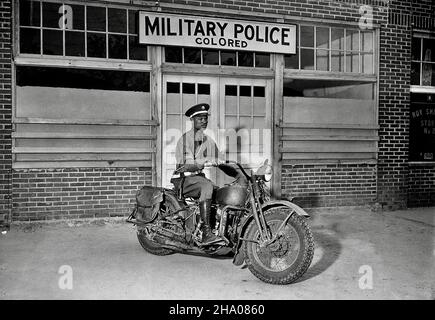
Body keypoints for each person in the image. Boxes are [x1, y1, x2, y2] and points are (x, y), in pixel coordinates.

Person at [171, 103, 221, 245]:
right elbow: (187, 164)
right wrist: (204, 160)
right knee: (207, 187)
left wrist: (231, 165)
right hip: (183, 179)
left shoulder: (208, 140)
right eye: (200, 118)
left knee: (220, 192)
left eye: (205, 118)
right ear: (192, 120)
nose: (204, 121)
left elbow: (219, 157)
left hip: (198, 178)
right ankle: (206, 233)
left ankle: (216, 227)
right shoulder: (185, 140)